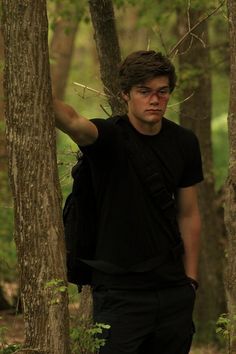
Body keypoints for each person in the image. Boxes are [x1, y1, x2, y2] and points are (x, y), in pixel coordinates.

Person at [54, 50, 203, 354]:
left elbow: (188, 214)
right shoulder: (108, 137)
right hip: (120, 294)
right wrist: (29, 84)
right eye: (144, 92)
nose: (155, 100)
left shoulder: (184, 142)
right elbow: (71, 120)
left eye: (162, 92)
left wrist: (190, 280)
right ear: (125, 95)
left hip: (172, 291)